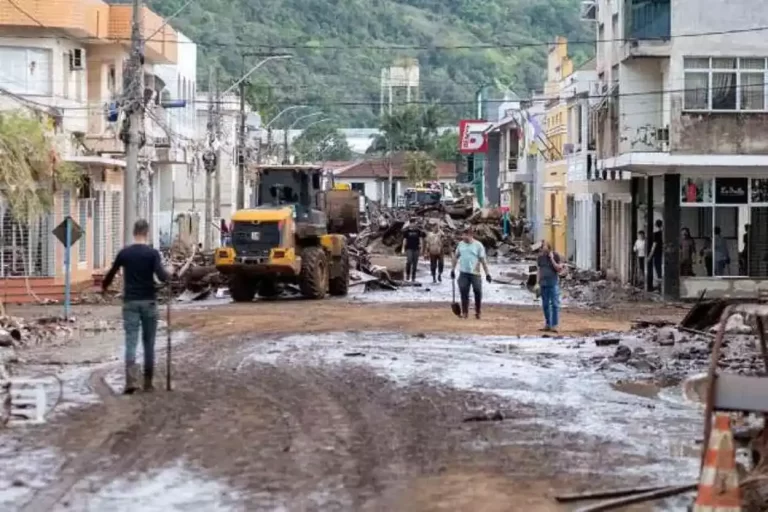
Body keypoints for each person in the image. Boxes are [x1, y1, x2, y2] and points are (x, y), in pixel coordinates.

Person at [102, 219, 171, 394]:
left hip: (130, 302)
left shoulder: (125, 253)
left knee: (131, 341)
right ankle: (148, 383)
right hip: (149, 302)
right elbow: (162, 276)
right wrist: (170, 275)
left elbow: (110, 274)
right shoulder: (152, 254)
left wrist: (104, 287)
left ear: (134, 233)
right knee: (149, 343)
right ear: (147, 233)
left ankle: (131, 381)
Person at [450, 228, 492, 319]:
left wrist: (487, 274)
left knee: (477, 291)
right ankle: (465, 312)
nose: (463, 237)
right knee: (463, 291)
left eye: (466, 235)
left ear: (471, 235)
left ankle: (478, 311)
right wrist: (452, 270)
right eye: (463, 235)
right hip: (463, 273)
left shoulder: (478, 245)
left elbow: (483, 260)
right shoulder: (460, 244)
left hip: (475, 273)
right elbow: (456, 257)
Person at [536, 240, 563, 332]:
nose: (542, 248)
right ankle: (548, 324)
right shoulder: (540, 257)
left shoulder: (555, 255)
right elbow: (539, 270)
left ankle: (554, 325)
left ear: (548, 247)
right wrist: (537, 283)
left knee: (555, 304)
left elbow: (559, 269)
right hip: (543, 284)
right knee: (545, 305)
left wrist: (552, 259)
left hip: (553, 283)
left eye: (544, 246)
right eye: (542, 246)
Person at [649, 219, 663, 286]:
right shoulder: (665, 234)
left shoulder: (656, 234)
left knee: (658, 269)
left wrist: (650, 256)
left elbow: (654, 246)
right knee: (661, 268)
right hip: (664, 253)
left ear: (655, 225)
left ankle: (659, 286)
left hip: (657, 253)